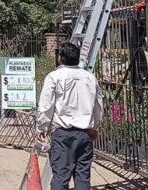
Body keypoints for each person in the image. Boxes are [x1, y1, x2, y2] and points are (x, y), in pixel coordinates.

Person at [35, 43, 103, 190]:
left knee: (60, 176)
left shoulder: (54, 77)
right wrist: (95, 127)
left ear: (60, 58)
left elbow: (46, 106)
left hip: (63, 134)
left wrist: (41, 127)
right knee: (83, 177)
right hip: (84, 134)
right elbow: (98, 106)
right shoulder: (90, 78)